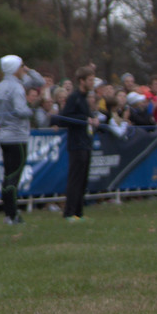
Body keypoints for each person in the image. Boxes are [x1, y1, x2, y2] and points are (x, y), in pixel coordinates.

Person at [0, 54, 45, 226]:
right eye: (22, 66)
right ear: (15, 68)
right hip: (17, 136)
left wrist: (28, 71)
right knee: (14, 176)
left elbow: (39, 82)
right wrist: (32, 110)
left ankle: (8, 213)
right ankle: (12, 214)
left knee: (8, 175)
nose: (24, 69)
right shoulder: (16, 88)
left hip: (4, 136)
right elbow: (21, 110)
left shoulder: (0, 86)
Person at [53, 66, 99, 222]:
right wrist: (85, 120)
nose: (93, 82)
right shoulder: (74, 98)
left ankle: (79, 211)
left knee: (83, 179)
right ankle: (69, 212)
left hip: (85, 142)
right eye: (90, 80)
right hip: (76, 143)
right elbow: (65, 118)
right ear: (82, 81)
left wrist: (93, 120)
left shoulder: (84, 98)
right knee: (75, 179)